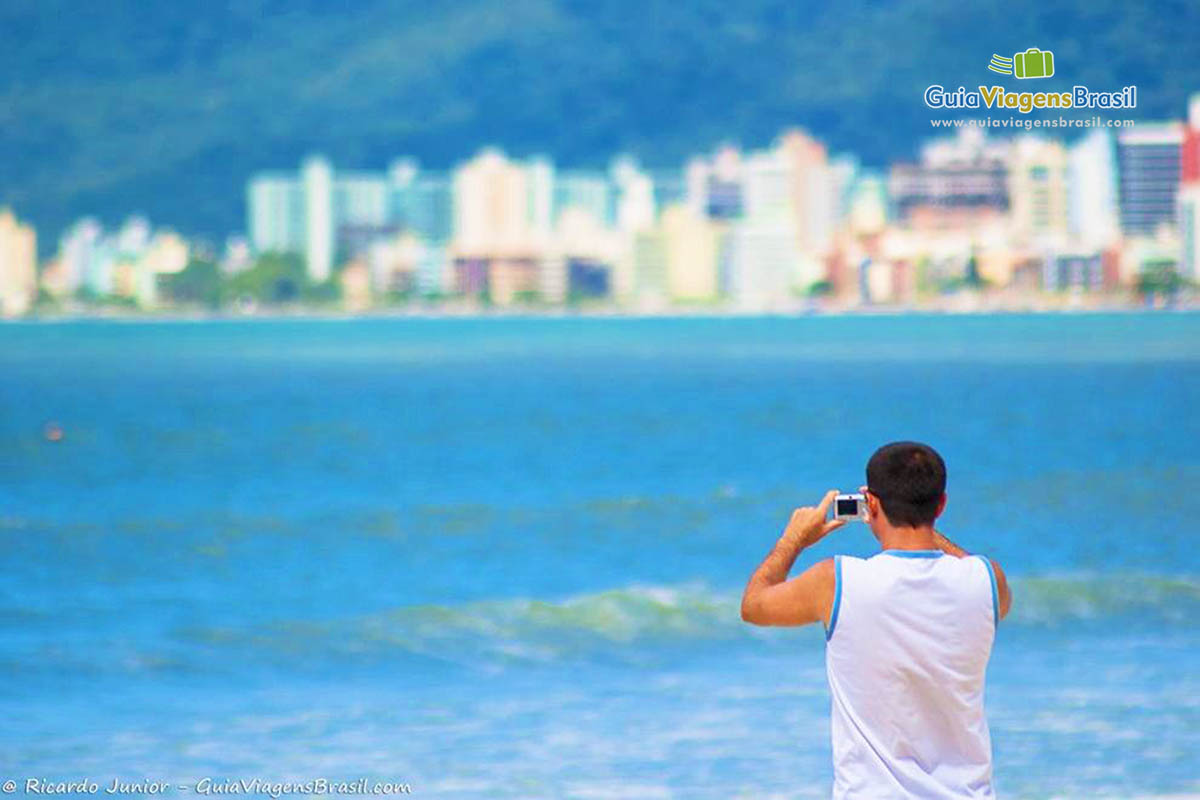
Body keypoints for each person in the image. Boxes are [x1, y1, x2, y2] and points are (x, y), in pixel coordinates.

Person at [740, 441, 1012, 799]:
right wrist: (926, 528)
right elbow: (972, 571)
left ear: (870, 503)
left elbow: (754, 605)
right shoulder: (987, 580)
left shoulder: (838, 581)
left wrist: (794, 539)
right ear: (941, 504)